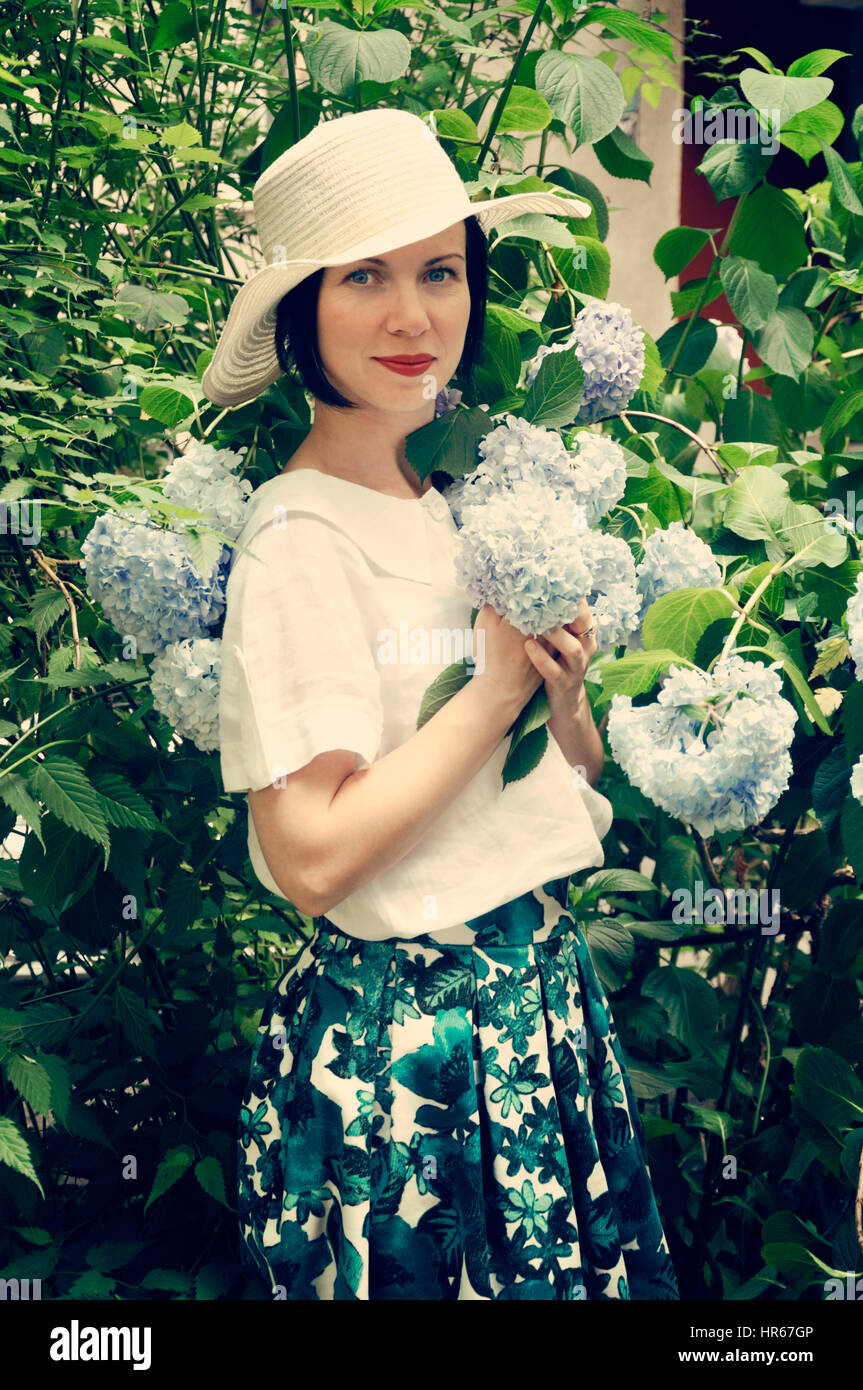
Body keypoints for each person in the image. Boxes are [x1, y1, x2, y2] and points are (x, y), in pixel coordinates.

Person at [206, 107, 680, 1301]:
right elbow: (310, 856)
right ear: (302, 309)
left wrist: (560, 696)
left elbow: (559, 782)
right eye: (363, 275)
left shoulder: (451, 502)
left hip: (531, 1006)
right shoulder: (298, 536)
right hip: (410, 1054)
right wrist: (493, 686)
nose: (413, 316)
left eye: (438, 270)